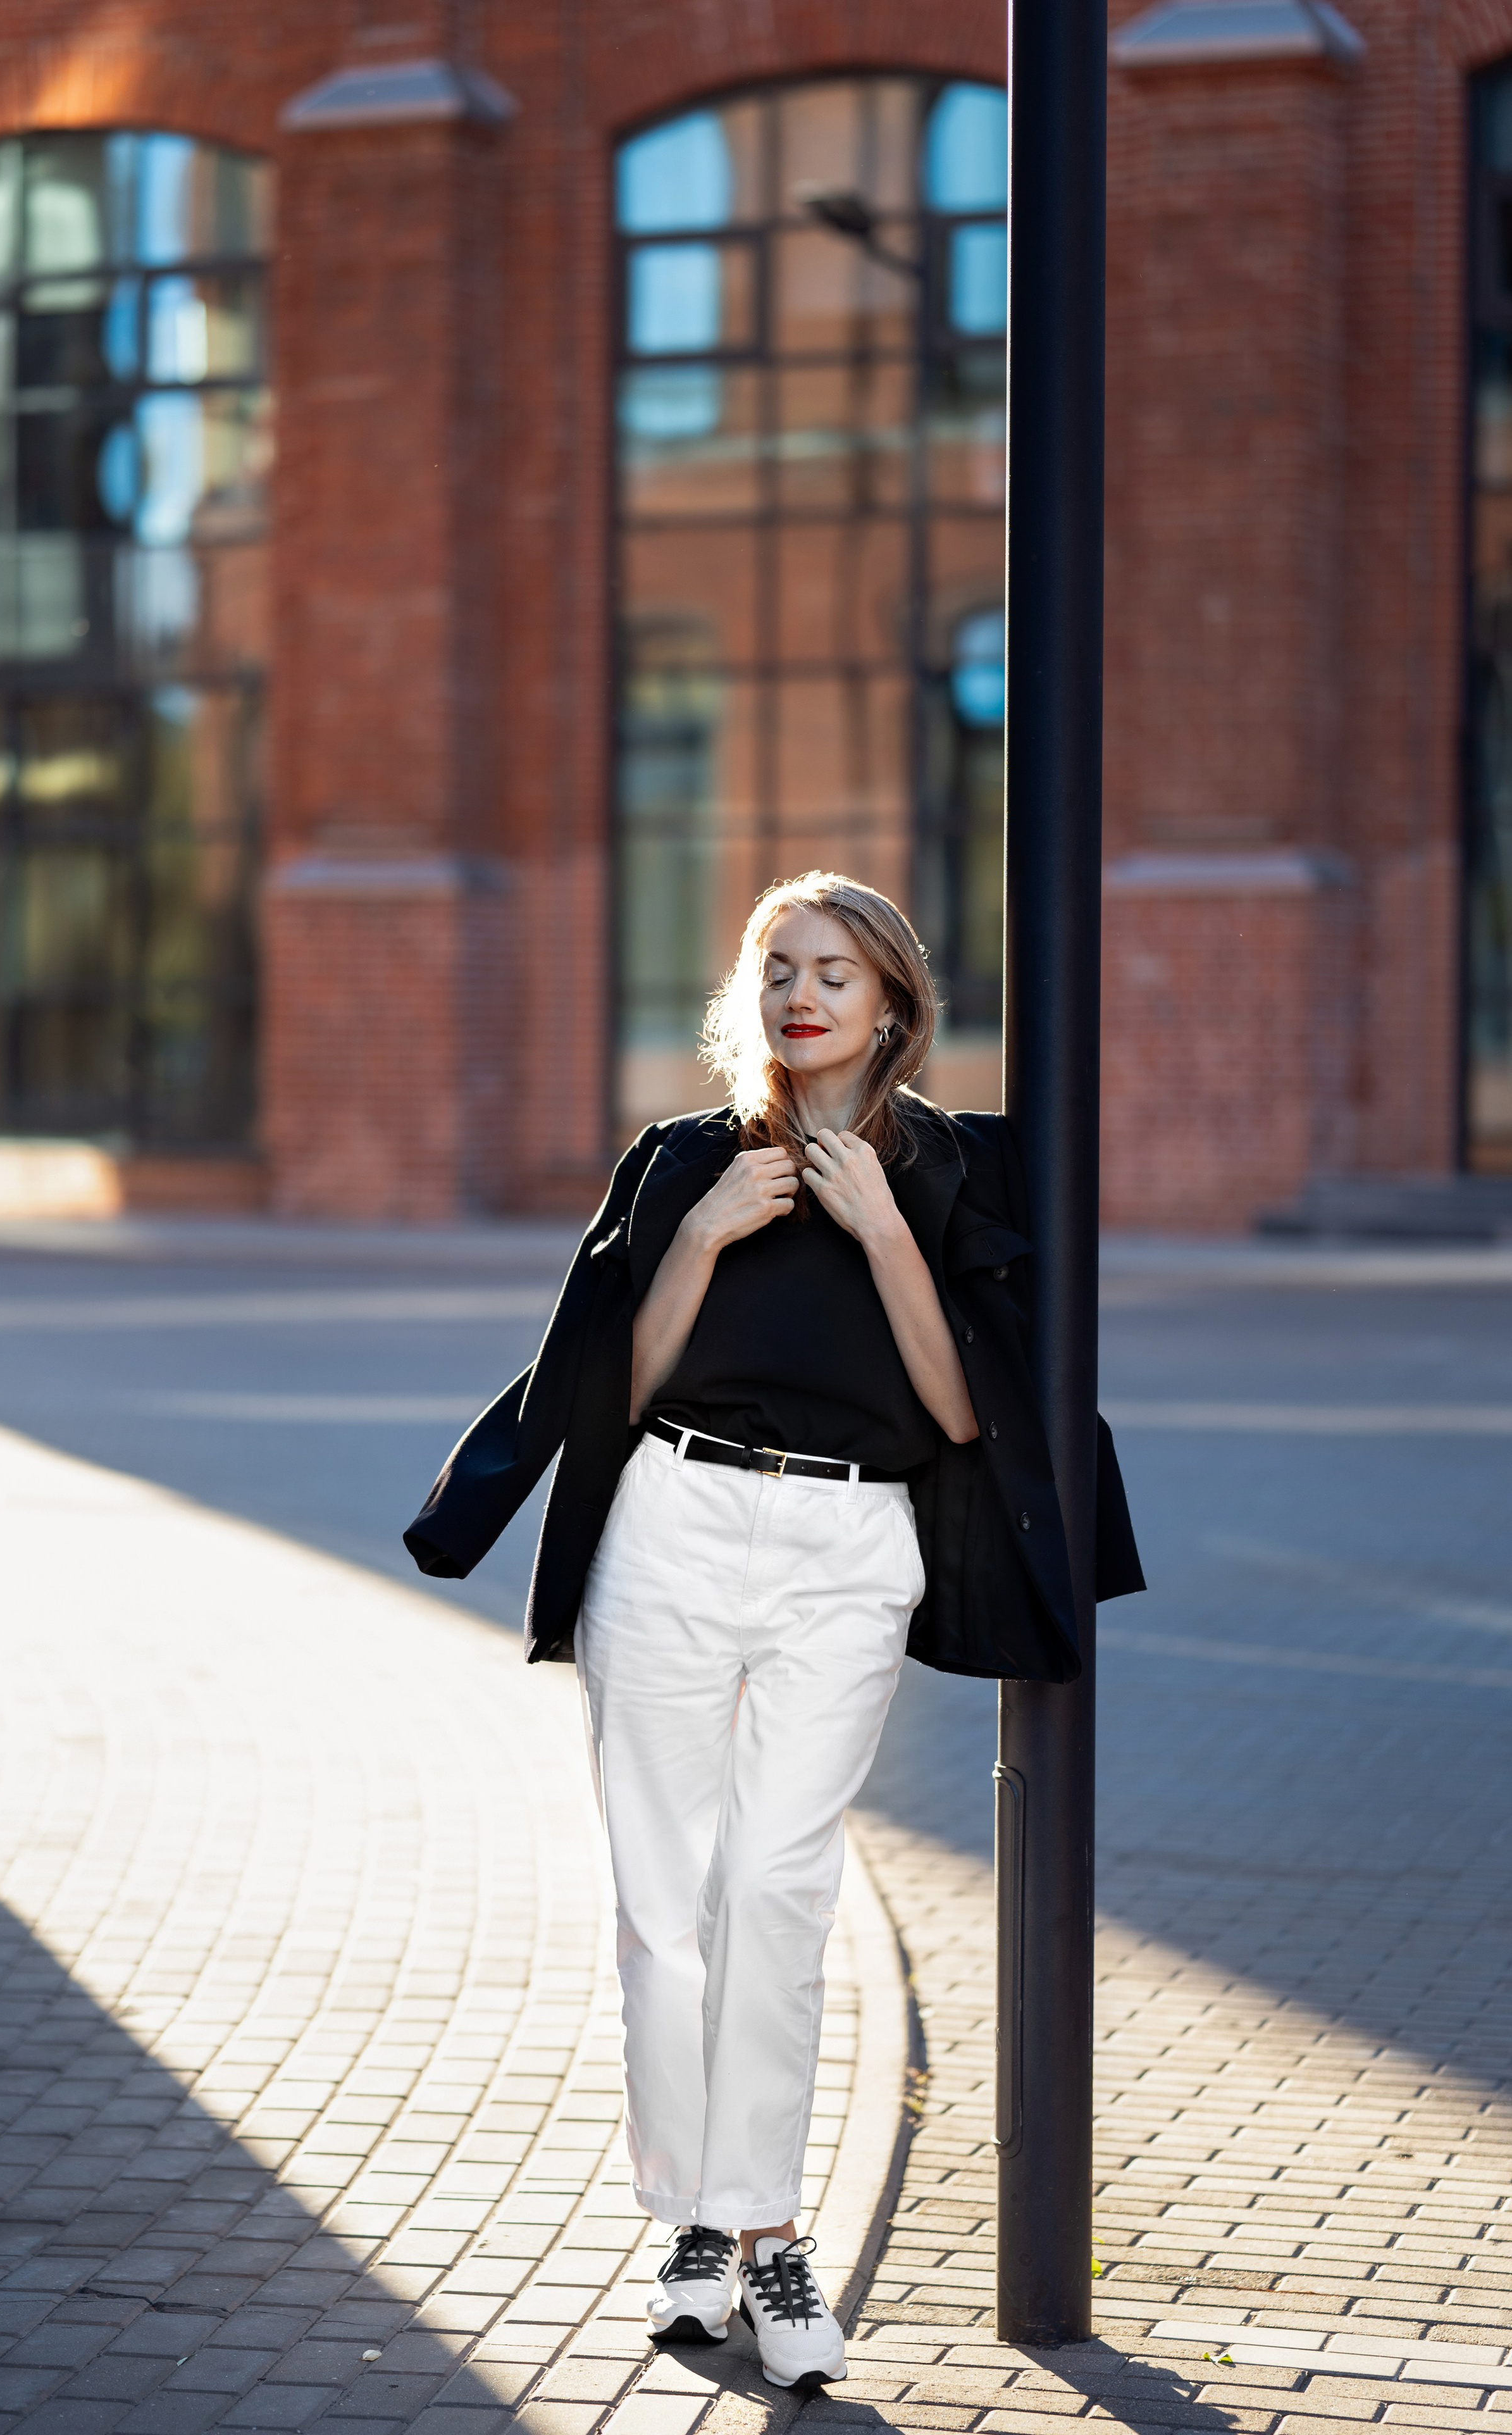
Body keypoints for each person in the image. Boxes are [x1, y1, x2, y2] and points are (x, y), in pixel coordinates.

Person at [406, 871, 1143, 2393]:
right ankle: (705, 2228)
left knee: (779, 1884)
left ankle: (763, 2228)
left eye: (834, 972)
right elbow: (610, 1384)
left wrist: (881, 1232)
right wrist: (697, 1242)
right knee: (663, 1904)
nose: (801, 995)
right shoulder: (681, 1160)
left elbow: (959, 1414)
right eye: (775, 968)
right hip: (671, 1527)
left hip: (847, 1543)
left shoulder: (946, 1170)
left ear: (892, 1006)